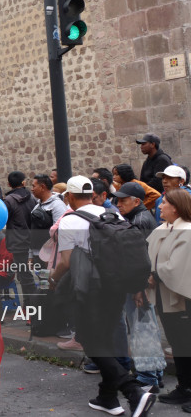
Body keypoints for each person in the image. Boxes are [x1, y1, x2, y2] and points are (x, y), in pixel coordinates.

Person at [49, 176, 156, 417]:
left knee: (90, 340)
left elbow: (66, 262)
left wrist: (54, 280)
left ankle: (133, 391)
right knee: (105, 338)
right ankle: (107, 398)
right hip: (115, 286)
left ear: (70, 197)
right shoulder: (112, 214)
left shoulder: (71, 220)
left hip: (89, 289)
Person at [136, 189, 191, 410]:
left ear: (176, 207)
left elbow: (178, 267)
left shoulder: (187, 231)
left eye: (164, 203)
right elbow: (148, 258)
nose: (159, 206)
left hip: (183, 298)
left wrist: (154, 275)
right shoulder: (163, 229)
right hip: (164, 295)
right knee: (178, 344)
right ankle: (184, 386)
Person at [3, 171, 37, 306]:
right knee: (26, 275)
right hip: (33, 238)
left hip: (17, 242)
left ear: (9, 184)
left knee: (24, 276)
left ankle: (33, 306)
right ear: (24, 183)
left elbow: (3, 219)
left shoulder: (8, 201)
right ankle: (29, 305)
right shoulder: (32, 198)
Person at [30, 174, 67, 268]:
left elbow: (59, 233)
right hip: (37, 254)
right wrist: (30, 255)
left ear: (42, 187)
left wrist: (50, 255)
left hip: (50, 256)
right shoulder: (37, 206)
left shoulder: (57, 205)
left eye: (34, 186)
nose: (32, 189)